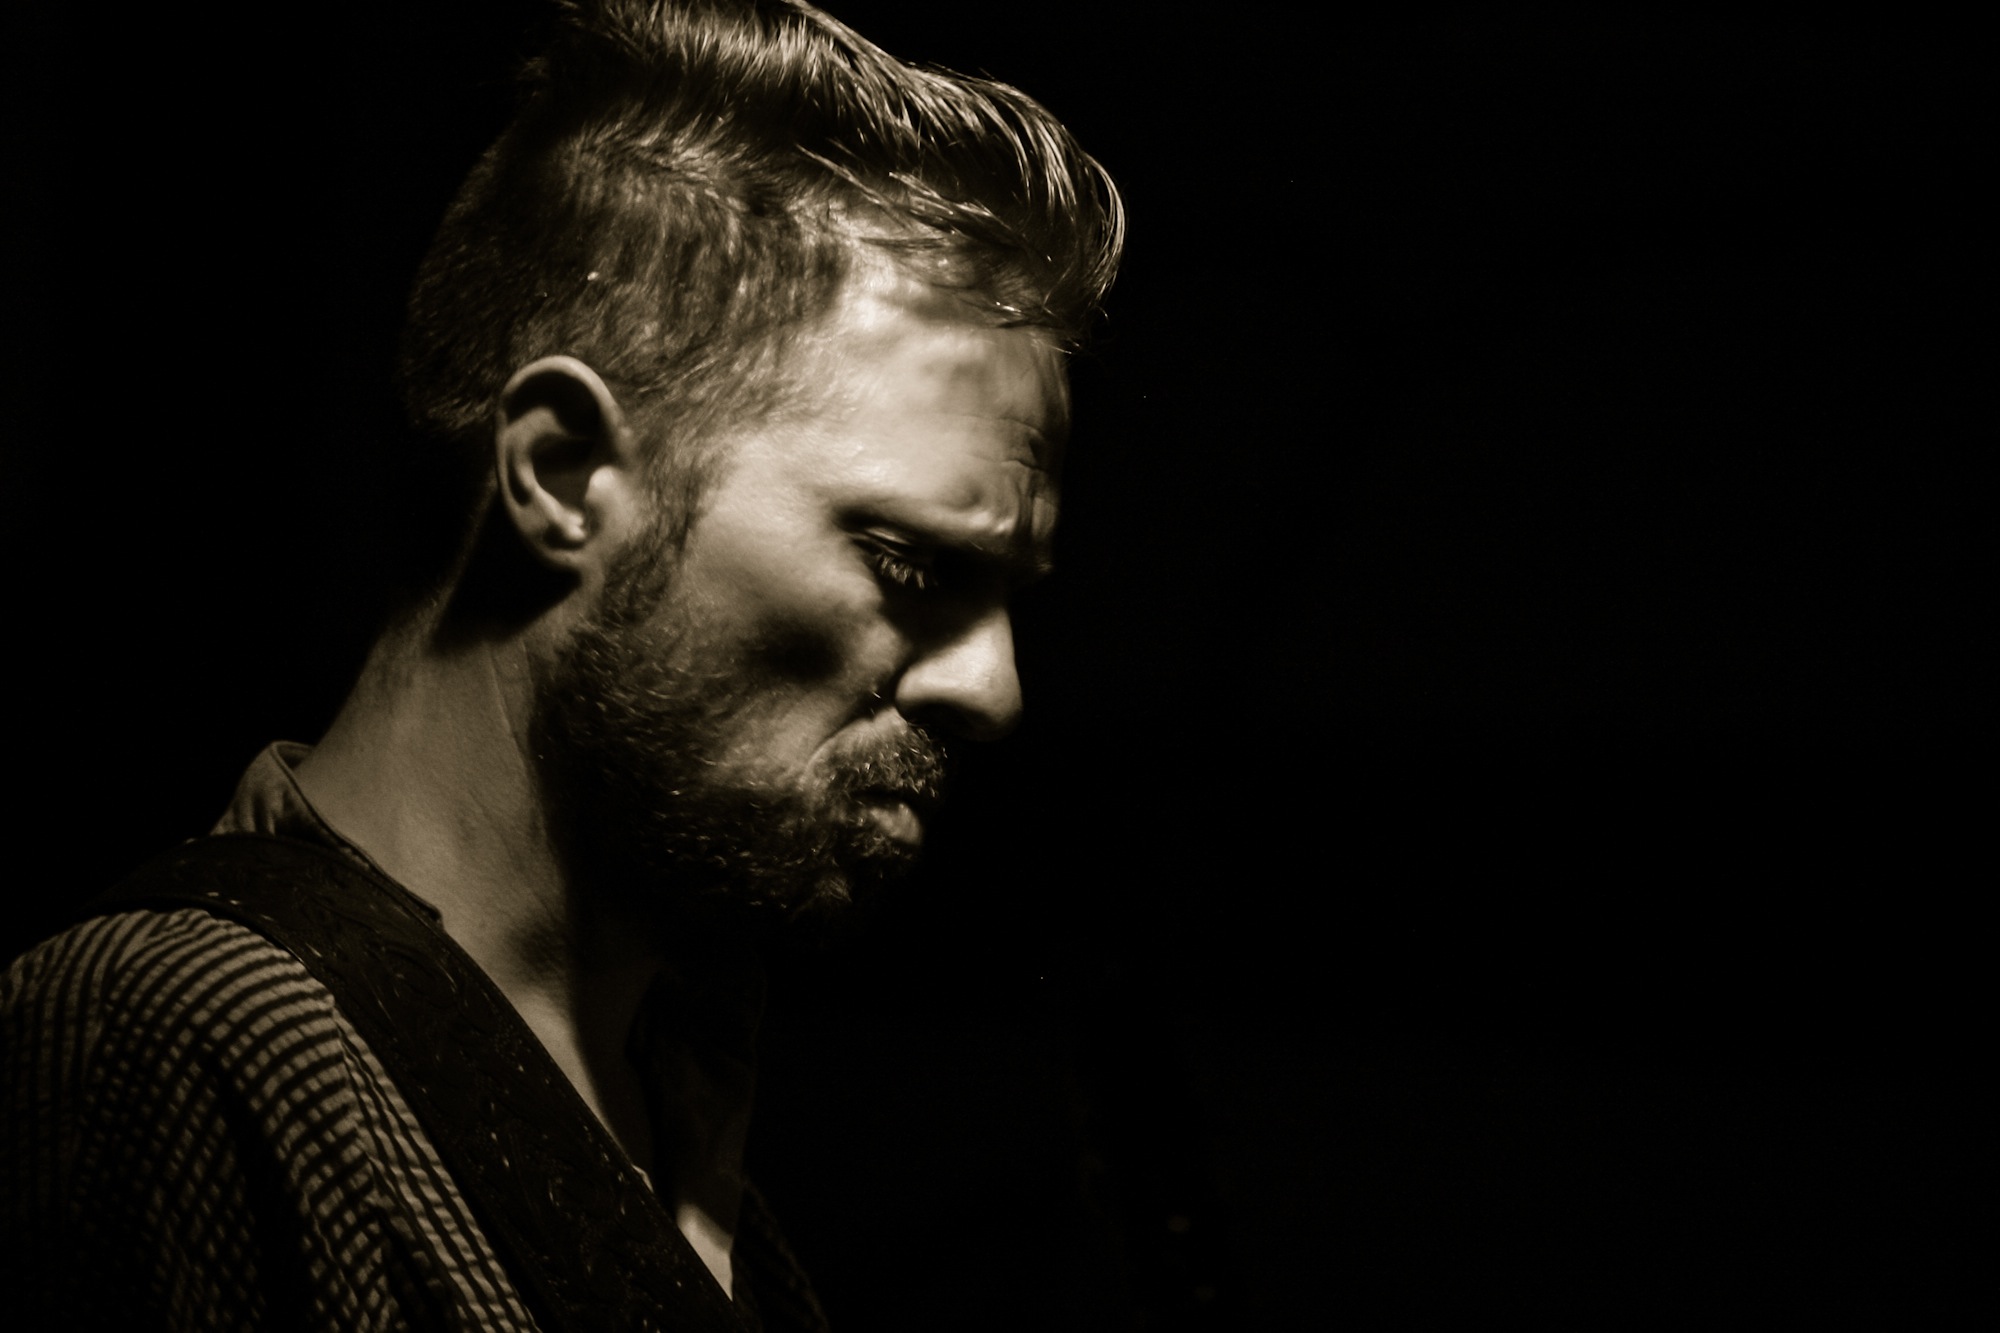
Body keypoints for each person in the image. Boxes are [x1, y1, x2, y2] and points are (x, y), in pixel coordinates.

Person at [0, 1, 1122, 1327]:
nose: (994, 690)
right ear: (561, 473)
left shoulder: (674, 1095)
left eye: (1009, 594)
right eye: (910, 563)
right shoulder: (173, 1042)